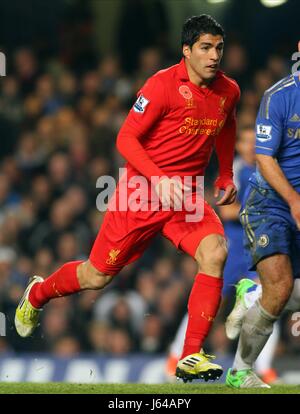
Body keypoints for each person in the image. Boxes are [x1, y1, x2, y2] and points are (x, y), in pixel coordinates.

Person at [15, 15, 240, 382]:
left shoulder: (228, 91)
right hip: (141, 195)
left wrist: (227, 173)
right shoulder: (161, 85)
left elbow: (227, 125)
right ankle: (38, 294)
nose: (214, 55)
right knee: (96, 276)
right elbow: (125, 139)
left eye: (218, 47)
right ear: (186, 51)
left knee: (215, 252)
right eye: (205, 47)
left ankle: (190, 355)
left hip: (185, 198)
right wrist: (159, 180)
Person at [165, 126, 281, 384]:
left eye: (255, 141)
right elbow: (227, 211)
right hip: (233, 249)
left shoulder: (270, 169)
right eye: (246, 142)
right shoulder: (236, 171)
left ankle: (264, 368)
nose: (251, 147)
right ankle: (175, 357)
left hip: (259, 250)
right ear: (238, 146)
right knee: (209, 303)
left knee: (271, 303)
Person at [226, 41, 300, 388]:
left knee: (280, 292)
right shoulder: (279, 96)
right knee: (282, 285)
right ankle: (240, 371)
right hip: (269, 203)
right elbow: (264, 158)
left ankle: (253, 294)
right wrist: (294, 200)